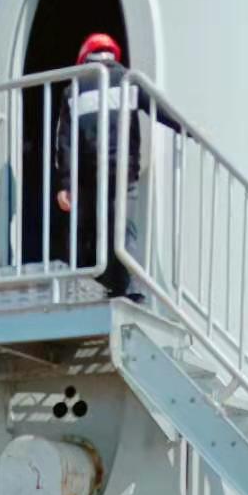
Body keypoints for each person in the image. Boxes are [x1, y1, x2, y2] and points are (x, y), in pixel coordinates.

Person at [54, 32, 178, 299]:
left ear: (85, 58)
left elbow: (65, 142)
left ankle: (82, 286)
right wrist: (187, 129)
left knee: (85, 231)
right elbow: (161, 109)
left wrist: (65, 184)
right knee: (123, 231)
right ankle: (130, 291)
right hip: (123, 170)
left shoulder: (73, 90)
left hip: (88, 175)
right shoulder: (129, 80)